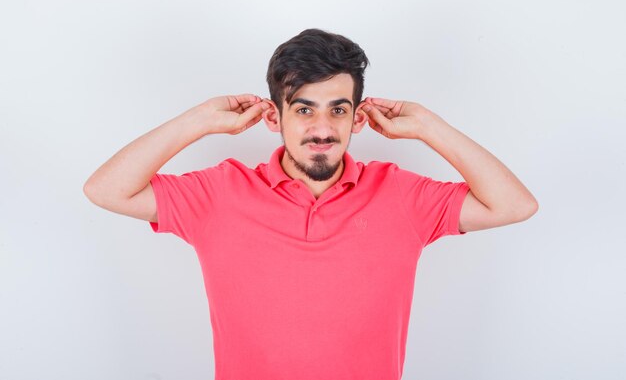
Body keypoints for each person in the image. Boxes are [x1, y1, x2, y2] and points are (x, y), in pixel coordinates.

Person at [83, 28, 538, 380]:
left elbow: (513, 205)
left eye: (338, 109)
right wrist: (198, 121)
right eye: (303, 109)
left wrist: (428, 126)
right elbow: (106, 190)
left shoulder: (402, 195)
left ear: (358, 117)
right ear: (273, 116)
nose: (322, 128)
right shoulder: (219, 193)